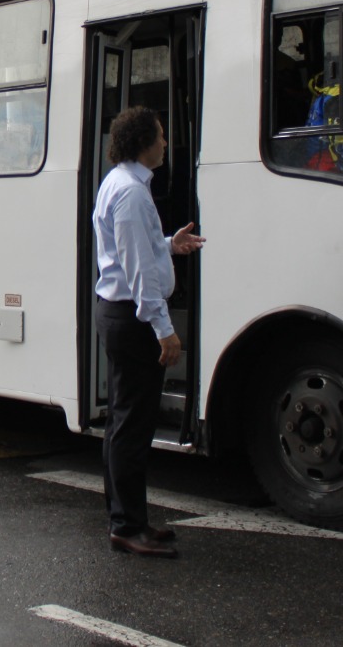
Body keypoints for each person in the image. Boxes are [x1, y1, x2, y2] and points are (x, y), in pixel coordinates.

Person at [93, 105, 206, 558]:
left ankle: (128, 518)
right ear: (144, 142)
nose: (165, 143)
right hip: (133, 321)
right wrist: (165, 330)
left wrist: (168, 245)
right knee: (131, 428)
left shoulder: (119, 183)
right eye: (160, 136)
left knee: (124, 424)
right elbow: (137, 271)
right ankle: (126, 525)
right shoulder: (133, 194)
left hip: (119, 313)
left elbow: (131, 251)